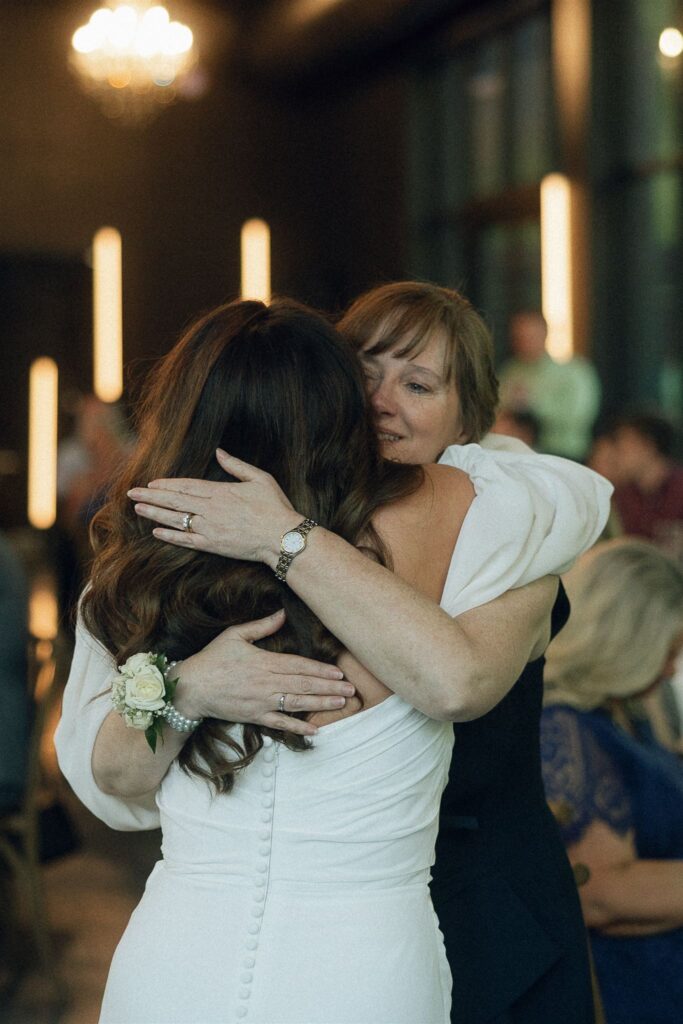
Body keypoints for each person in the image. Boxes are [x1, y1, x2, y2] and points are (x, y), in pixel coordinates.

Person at [58, 297, 570, 1024]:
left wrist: (285, 537)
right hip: (183, 956)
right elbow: (112, 775)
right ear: (332, 393)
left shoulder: (478, 513)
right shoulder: (164, 558)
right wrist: (189, 687)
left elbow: (459, 680)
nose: (384, 404)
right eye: (366, 375)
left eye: (418, 385)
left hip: (371, 959)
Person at [540, 539, 683, 1024]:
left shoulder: (624, 712)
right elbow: (599, 891)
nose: (672, 669)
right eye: (668, 650)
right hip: (634, 991)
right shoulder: (565, 726)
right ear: (626, 640)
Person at [498, 311, 601, 460]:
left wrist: (533, 404)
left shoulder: (574, 371)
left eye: (531, 335)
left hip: (565, 454)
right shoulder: (510, 371)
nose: (525, 342)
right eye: (520, 337)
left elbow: (579, 417)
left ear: (545, 333)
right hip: (518, 455)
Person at [610, 414, 683, 557]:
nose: (617, 454)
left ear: (648, 446)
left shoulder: (679, 489)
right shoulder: (623, 496)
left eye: (624, 446)